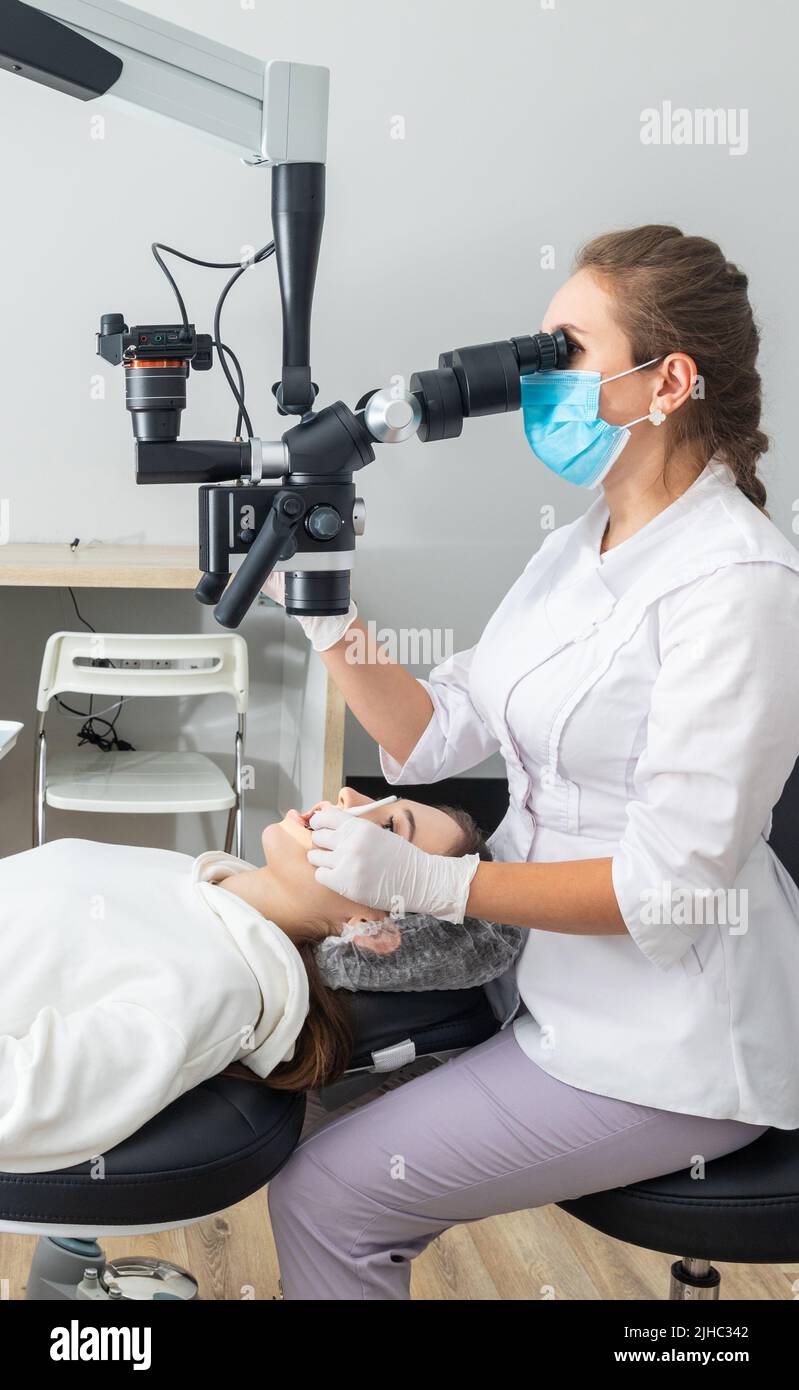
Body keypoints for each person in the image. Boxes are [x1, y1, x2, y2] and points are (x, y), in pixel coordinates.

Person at [265, 224, 799, 1300]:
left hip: (665, 1042)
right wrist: (326, 615)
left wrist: (433, 881)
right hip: (537, 974)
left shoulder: (736, 584)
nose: (533, 379)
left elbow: (668, 886)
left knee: (327, 1194)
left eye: (564, 350)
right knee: (289, 1063)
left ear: (669, 381)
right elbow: (437, 730)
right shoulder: (578, 544)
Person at [0, 791, 491, 1173]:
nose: (347, 797)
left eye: (387, 827)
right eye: (378, 797)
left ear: (372, 929)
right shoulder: (185, 879)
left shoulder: (210, 986)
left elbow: (21, 1101)